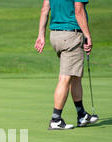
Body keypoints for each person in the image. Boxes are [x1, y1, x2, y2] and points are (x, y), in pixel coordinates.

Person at [35, 0, 98, 130]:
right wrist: (88, 35)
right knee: (65, 78)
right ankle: (56, 119)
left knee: (75, 76)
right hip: (72, 35)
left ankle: (82, 115)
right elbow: (79, 11)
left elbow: (45, 9)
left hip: (56, 35)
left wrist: (41, 35)